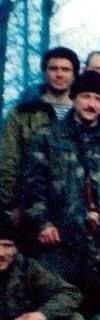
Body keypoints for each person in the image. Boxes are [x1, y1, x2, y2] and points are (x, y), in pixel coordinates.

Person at [20, 71, 100, 283]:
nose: (91, 104)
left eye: (98, 99)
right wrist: (43, 223)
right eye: (86, 96)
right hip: (57, 240)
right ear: (74, 98)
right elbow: (32, 185)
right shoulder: (47, 137)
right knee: (58, 296)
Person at [0, 46, 79, 219]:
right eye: (53, 68)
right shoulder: (22, 114)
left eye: (65, 69)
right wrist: (12, 204)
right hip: (30, 207)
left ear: (74, 75)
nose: (59, 74)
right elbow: (8, 161)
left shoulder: (83, 113)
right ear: (45, 72)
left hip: (75, 209)